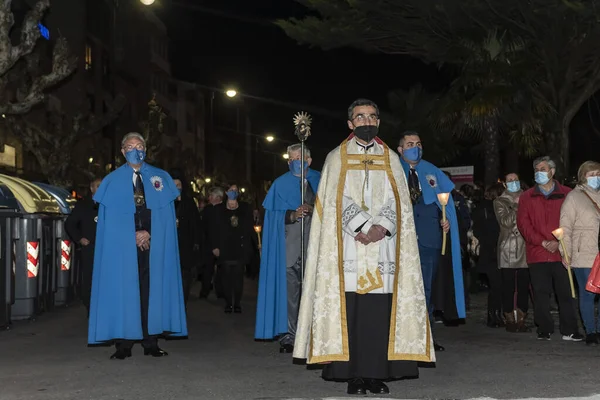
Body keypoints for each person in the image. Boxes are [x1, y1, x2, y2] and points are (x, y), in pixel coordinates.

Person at [294, 99, 433, 396]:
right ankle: (353, 376)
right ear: (350, 123)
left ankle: (376, 374)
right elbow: (333, 199)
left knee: (379, 312)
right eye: (360, 117)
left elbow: (398, 201)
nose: (366, 121)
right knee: (352, 311)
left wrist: (381, 226)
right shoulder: (336, 157)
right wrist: (361, 226)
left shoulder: (391, 159)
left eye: (371, 116)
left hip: (383, 247)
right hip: (349, 246)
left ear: (379, 122)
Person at [88, 132, 188, 359]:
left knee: (151, 291)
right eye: (130, 146)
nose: (136, 149)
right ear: (123, 151)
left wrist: (148, 233)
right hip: (123, 246)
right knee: (124, 291)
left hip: (154, 243)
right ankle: (124, 345)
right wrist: (131, 234)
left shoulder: (160, 177)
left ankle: (150, 341)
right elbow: (111, 219)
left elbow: (165, 215)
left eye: (140, 145)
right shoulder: (112, 180)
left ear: (146, 149)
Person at [397, 130, 466, 350]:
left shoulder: (432, 171)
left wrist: (445, 222)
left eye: (417, 143)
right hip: (399, 241)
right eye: (409, 144)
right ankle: (400, 339)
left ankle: (425, 338)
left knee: (426, 290)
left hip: (429, 241)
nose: (414, 147)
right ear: (400, 149)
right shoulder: (391, 170)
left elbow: (444, 206)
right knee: (401, 291)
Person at [255, 143, 321, 353]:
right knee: (290, 295)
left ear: (309, 161)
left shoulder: (322, 179)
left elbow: (333, 208)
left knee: (314, 293)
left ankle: (314, 335)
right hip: (289, 248)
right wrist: (292, 215)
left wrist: (313, 208)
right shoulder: (279, 184)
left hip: (316, 247)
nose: (295, 162)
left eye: (299, 158)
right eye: (291, 159)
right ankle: (289, 336)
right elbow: (272, 216)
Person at [517, 156, 582, 341]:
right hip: (537, 253)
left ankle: (569, 329)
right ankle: (544, 328)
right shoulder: (526, 196)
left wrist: (558, 241)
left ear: (552, 172)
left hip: (561, 252)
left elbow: (572, 221)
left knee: (566, 292)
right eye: (536, 169)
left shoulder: (568, 194)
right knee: (540, 293)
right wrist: (543, 242)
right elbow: (524, 224)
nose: (539, 172)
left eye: (543, 169)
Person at [559, 161, 600, 345]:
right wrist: (565, 252)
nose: (595, 177)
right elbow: (565, 227)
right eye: (591, 174)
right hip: (583, 253)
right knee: (588, 294)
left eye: (598, 173)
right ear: (583, 176)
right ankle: (591, 332)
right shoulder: (574, 197)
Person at [494, 173, 530, 333]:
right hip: (508, 247)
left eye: (516, 179)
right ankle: (509, 317)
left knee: (524, 286)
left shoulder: (528, 197)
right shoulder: (499, 201)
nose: (514, 182)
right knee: (508, 286)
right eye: (510, 180)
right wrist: (516, 206)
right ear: (504, 184)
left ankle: (522, 318)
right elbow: (506, 222)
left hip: (526, 246)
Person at [209, 184, 254, 313]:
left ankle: (237, 303)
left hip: (240, 247)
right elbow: (213, 230)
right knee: (226, 277)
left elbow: (248, 227)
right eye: (231, 190)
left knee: (238, 277)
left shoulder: (245, 208)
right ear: (226, 192)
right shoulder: (219, 209)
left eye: (235, 190)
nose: (233, 192)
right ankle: (229, 303)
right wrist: (214, 246)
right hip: (225, 248)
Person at [65, 176, 102, 317]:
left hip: (108, 249)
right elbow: (70, 224)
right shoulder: (83, 205)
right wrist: (79, 238)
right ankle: (91, 308)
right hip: (90, 249)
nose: (100, 188)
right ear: (92, 188)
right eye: (98, 186)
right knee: (89, 279)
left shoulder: (110, 204)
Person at [472, 183, 503, 327]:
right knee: (497, 286)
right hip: (494, 252)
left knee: (496, 286)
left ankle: (495, 315)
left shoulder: (481, 208)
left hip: (488, 252)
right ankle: (494, 316)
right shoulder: (492, 209)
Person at [170, 169, 202, 307]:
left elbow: (195, 225)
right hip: (169, 247)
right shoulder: (166, 202)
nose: (176, 188)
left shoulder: (189, 203)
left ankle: (182, 305)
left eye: (178, 186)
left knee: (184, 279)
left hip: (185, 248)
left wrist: (196, 243)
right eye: (174, 186)